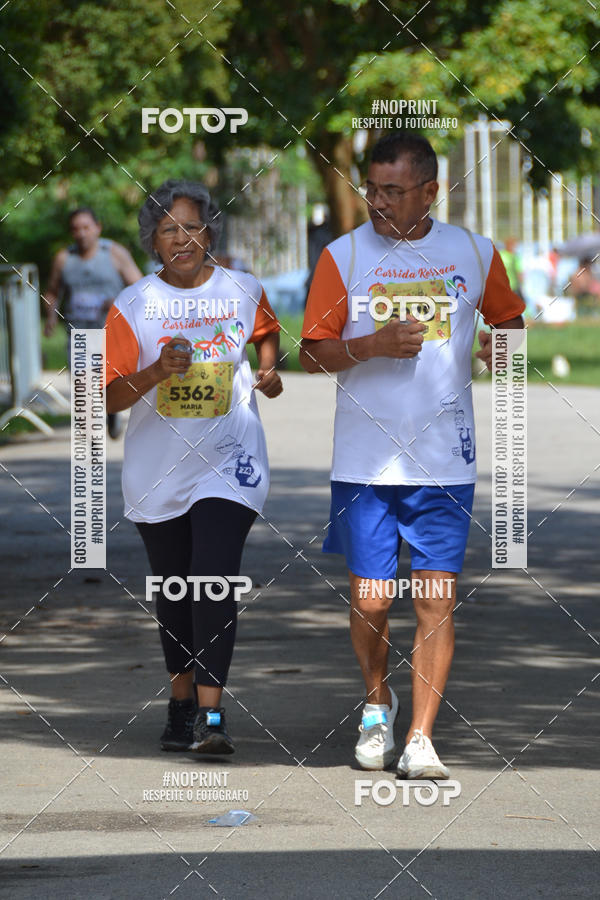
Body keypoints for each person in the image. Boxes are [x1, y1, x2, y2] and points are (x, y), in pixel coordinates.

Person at [300, 132, 524, 778]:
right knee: (372, 599)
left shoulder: (474, 254)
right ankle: (379, 704)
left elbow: (509, 327)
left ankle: (421, 737)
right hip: (365, 464)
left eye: (393, 191)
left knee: (433, 597)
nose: (377, 201)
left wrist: (497, 353)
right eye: (372, 188)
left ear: (430, 191)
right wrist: (368, 346)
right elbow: (313, 351)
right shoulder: (342, 257)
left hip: (444, 461)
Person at [105, 179, 282, 755]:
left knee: (212, 577)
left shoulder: (242, 288)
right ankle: (180, 701)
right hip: (159, 466)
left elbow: (265, 332)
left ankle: (211, 716)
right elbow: (105, 397)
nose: (182, 239)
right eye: (167, 230)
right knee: (175, 587)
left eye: (193, 226)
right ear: (152, 242)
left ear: (211, 232)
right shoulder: (134, 306)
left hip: (229, 461)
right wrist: (156, 373)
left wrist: (269, 370)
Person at [44, 207, 142, 437]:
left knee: (107, 383)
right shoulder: (64, 259)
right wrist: (50, 317)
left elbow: (140, 288)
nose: (81, 234)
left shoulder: (114, 254)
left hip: (112, 333)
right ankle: (91, 441)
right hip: (79, 333)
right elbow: (52, 292)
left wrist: (118, 301)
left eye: (86, 227)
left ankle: (111, 413)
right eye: (75, 229)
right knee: (82, 386)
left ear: (98, 228)